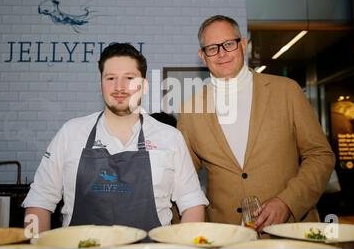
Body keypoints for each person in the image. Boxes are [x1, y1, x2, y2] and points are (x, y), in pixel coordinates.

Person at [23, 43, 208, 233]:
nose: (119, 87)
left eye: (129, 78)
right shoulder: (70, 133)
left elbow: (192, 204)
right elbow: (39, 202)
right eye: (110, 78)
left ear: (144, 85)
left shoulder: (170, 138)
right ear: (100, 83)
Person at [177, 15, 335, 232]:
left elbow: (320, 155)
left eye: (229, 44)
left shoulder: (287, 91)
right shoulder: (190, 110)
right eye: (212, 48)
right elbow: (181, 177)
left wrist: (287, 202)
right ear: (202, 56)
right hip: (225, 236)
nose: (221, 53)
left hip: (289, 234)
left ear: (243, 45)